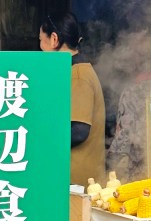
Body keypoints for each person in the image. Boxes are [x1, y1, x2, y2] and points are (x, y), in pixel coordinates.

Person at [39, 12, 106, 187]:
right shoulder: (73, 72)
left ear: (54, 39)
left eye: (41, 41)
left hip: (79, 180)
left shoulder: (78, 75)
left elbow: (79, 131)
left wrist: (38, 142)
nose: (40, 48)